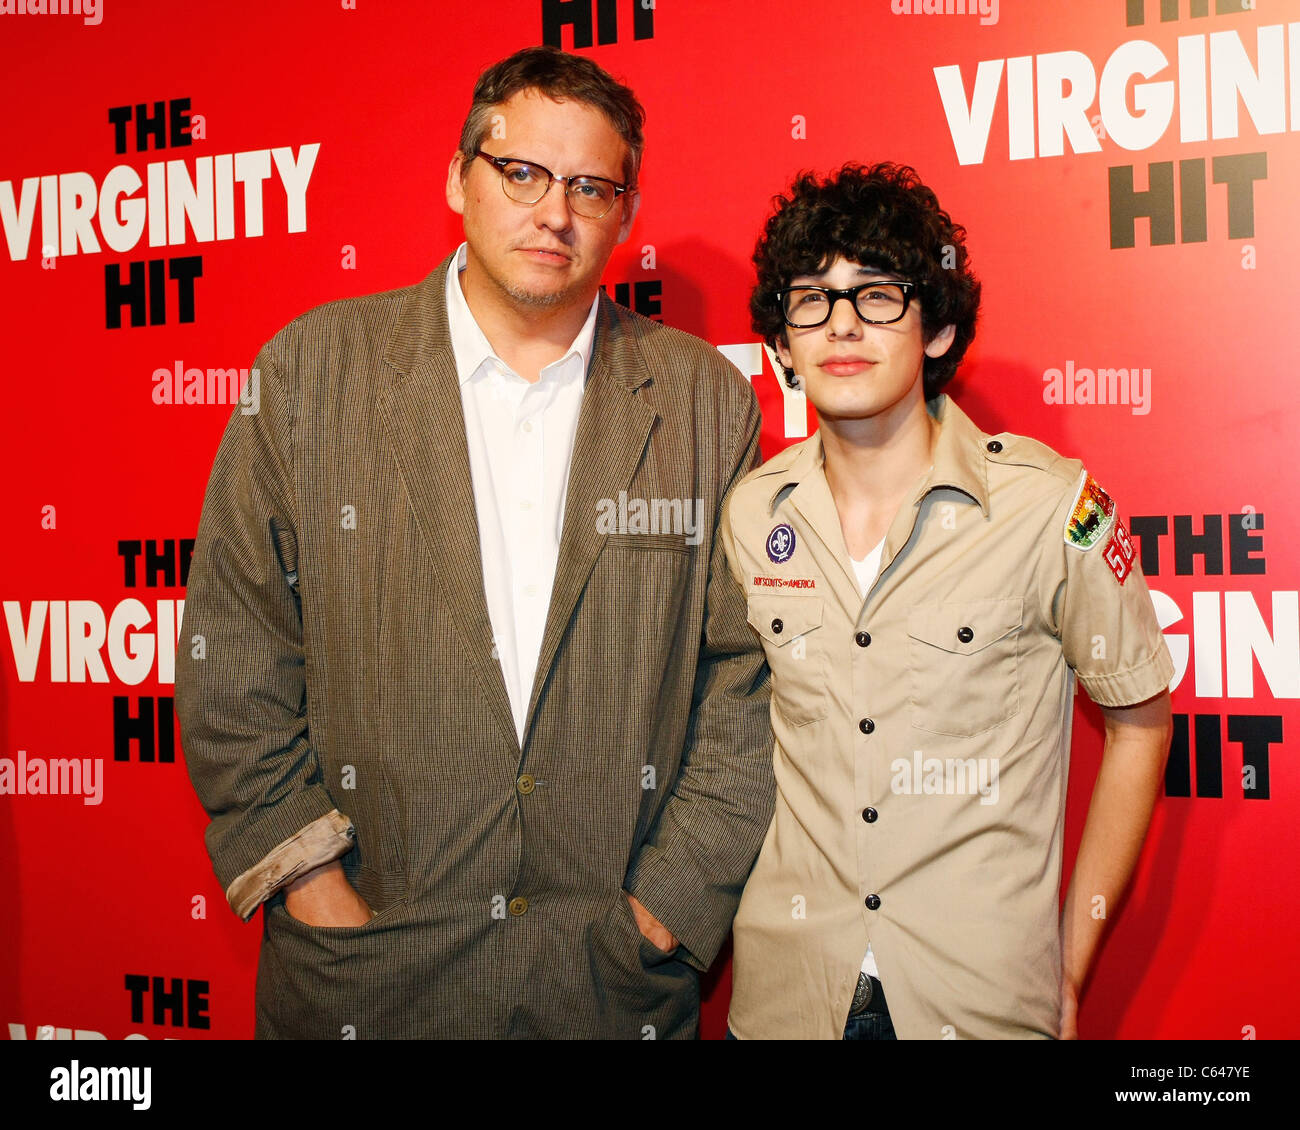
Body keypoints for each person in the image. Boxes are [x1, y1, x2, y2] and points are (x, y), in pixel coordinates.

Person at [175, 45, 774, 1039]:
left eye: (591, 186)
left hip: (606, 981)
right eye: (522, 173)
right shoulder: (310, 372)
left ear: (624, 212)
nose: (555, 212)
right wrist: (310, 882)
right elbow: (233, 653)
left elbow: (741, 677)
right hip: (368, 973)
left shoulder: (703, 397)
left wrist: (667, 904)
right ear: (458, 178)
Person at [721, 163, 1174, 1040]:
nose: (842, 324)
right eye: (809, 299)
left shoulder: (1051, 507)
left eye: (878, 295)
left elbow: (1141, 724)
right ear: (781, 342)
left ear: (938, 328)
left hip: (978, 1001)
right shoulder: (751, 515)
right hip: (786, 998)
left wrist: (1068, 965)